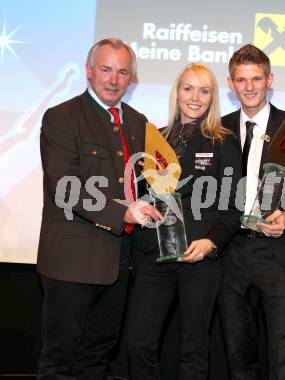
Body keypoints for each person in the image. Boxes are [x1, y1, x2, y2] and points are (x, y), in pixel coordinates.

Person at [37, 38, 162, 379]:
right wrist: (121, 213)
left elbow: (144, 183)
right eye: (106, 69)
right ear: (89, 72)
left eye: (122, 72)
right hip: (70, 263)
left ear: (130, 79)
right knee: (59, 362)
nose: (113, 79)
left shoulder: (139, 122)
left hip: (119, 261)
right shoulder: (62, 117)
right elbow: (64, 186)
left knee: (96, 359)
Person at [127, 63, 243, 380]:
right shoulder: (156, 139)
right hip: (155, 255)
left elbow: (234, 207)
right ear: (177, 92)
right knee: (139, 343)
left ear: (212, 97)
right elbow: (140, 192)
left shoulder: (224, 142)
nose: (195, 97)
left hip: (199, 257)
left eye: (204, 90)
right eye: (188, 88)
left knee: (193, 349)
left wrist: (211, 242)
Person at [219, 44, 285, 380]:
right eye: (241, 79)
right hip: (231, 252)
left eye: (256, 78)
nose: (248, 86)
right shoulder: (219, 127)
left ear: (269, 79)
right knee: (238, 354)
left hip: (278, 251)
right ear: (231, 82)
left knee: (284, 359)